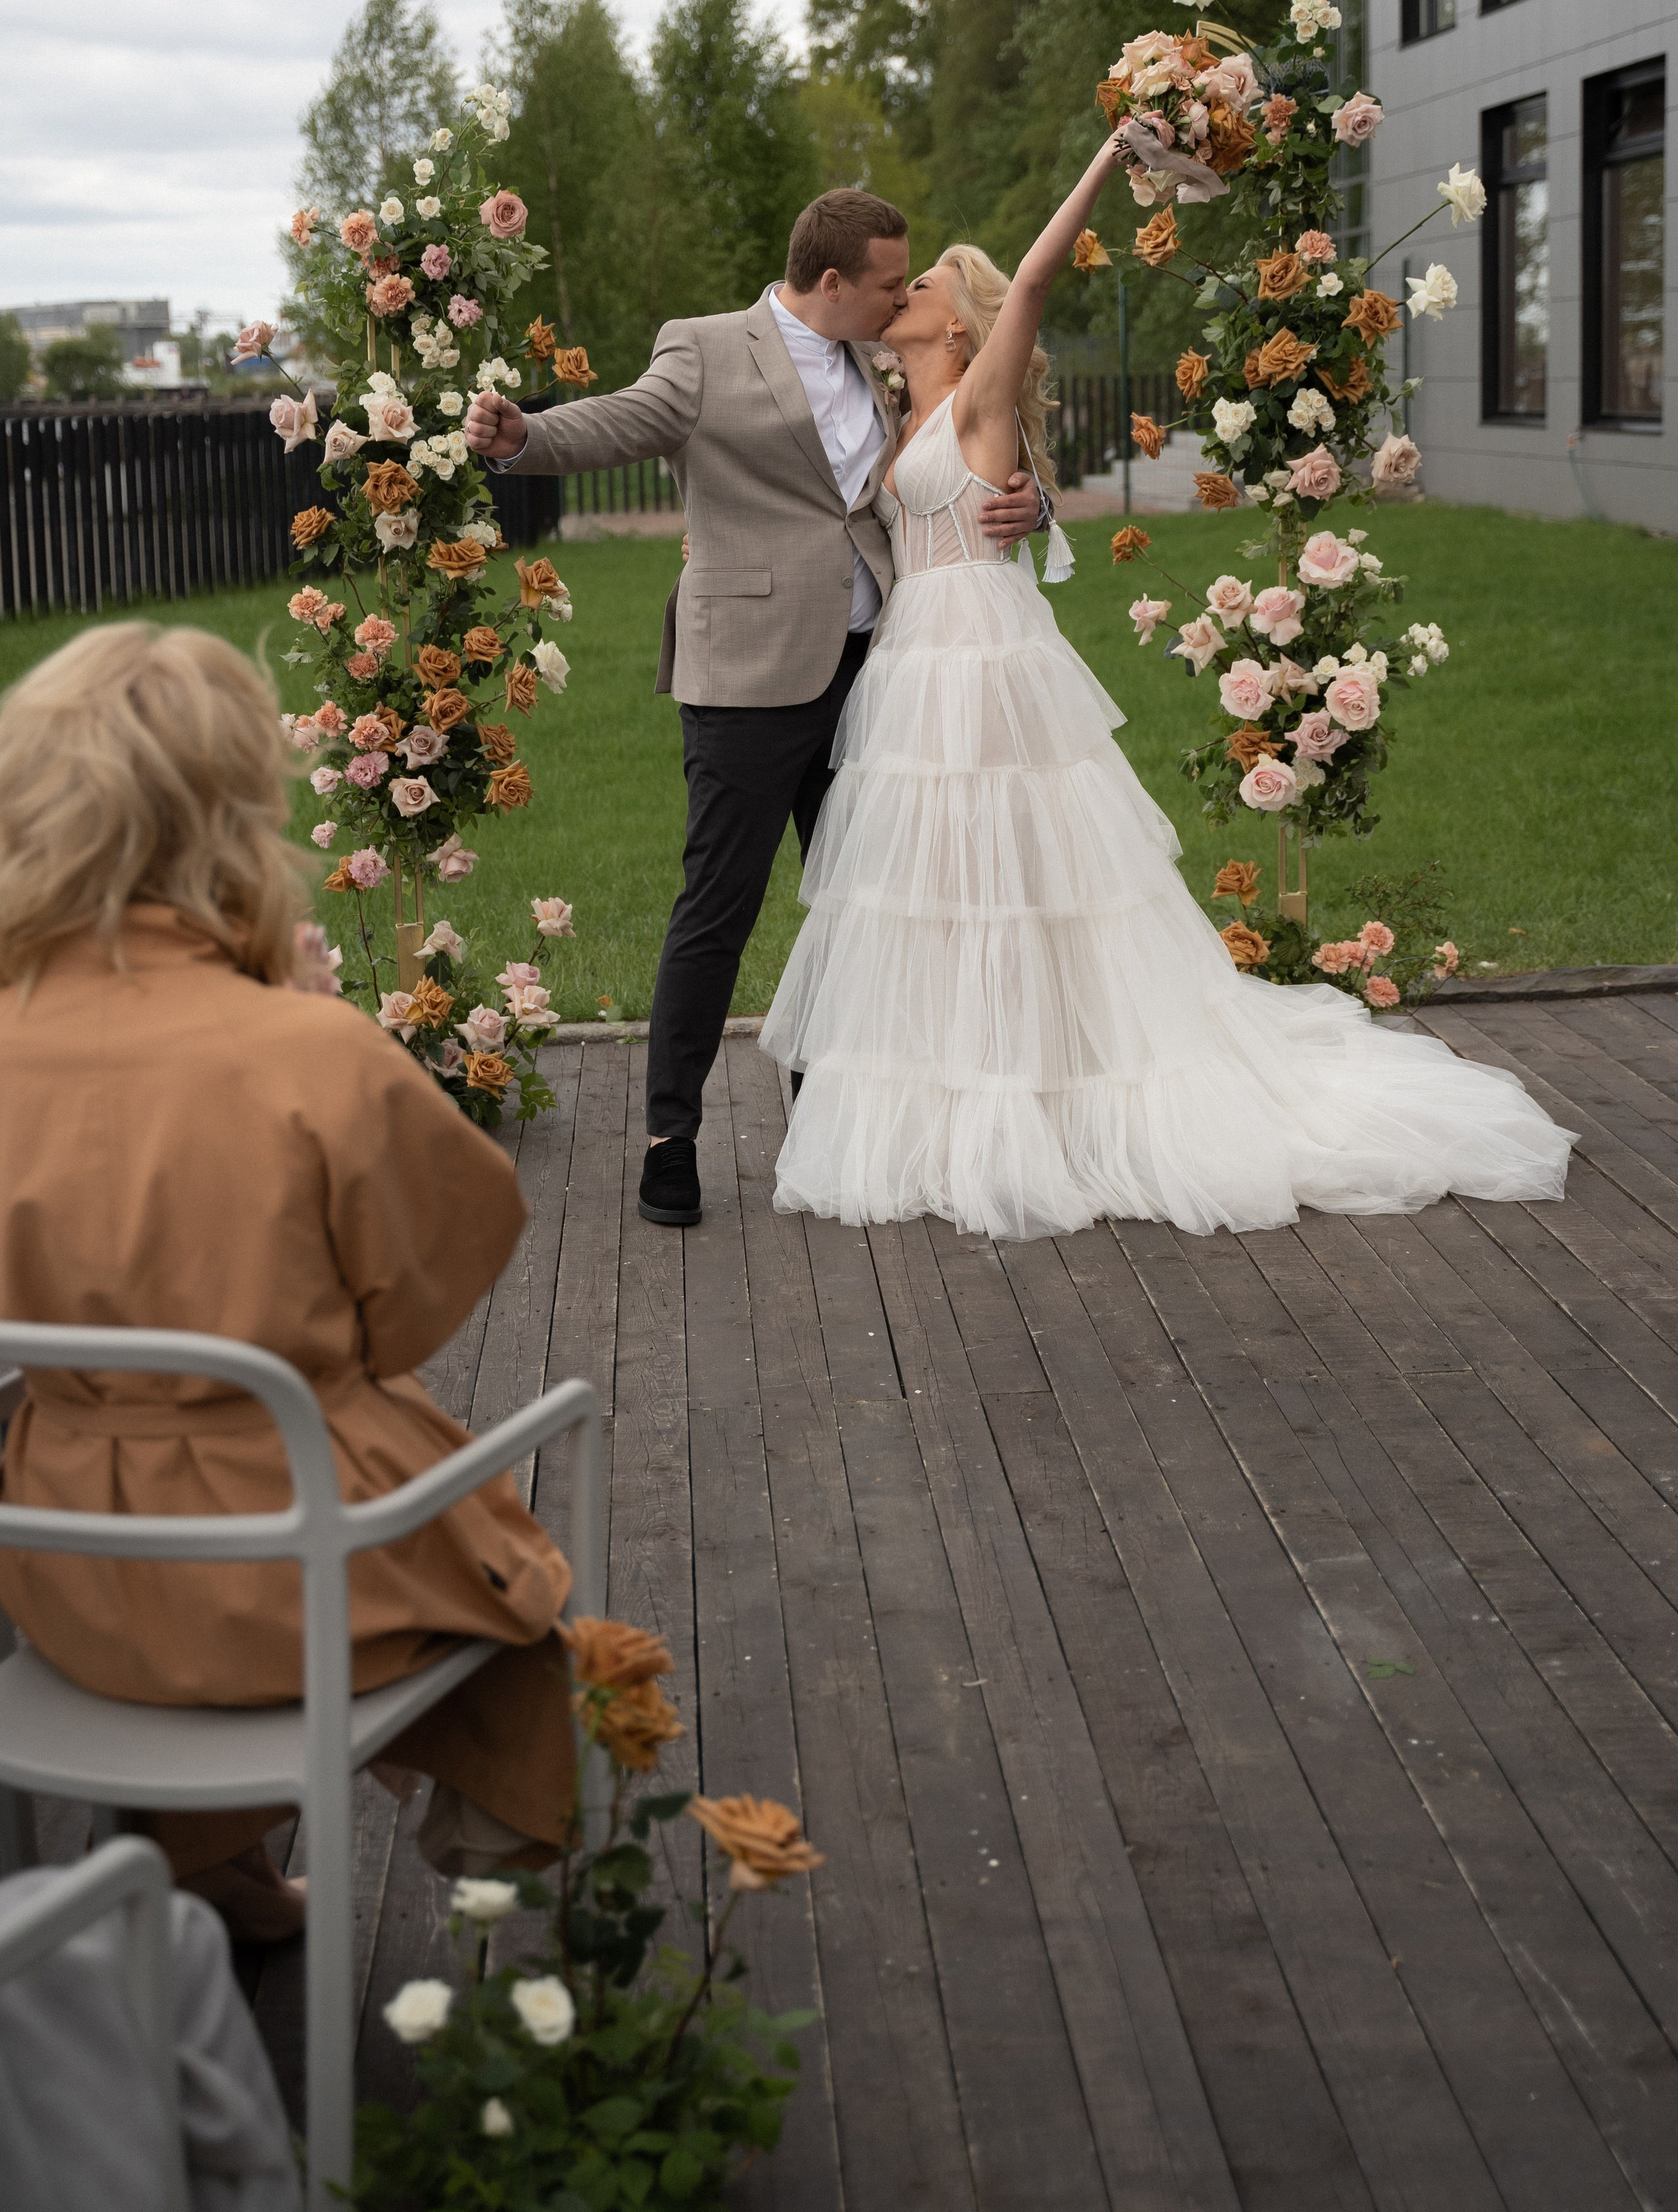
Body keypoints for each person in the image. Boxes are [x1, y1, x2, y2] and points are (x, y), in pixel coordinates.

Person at [760, 140, 1574, 1241]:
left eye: (927, 284)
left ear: (959, 327)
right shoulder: (890, 402)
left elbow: (1034, 280)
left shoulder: (980, 398)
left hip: (984, 656)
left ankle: (1044, 1089)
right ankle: (959, 1082)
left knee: (1020, 874)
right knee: (939, 885)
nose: (903, 294)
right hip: (913, 663)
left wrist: (1108, 156)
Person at [0, 625, 579, 1942]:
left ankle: (223, 1881)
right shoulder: (304, 1053)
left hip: (63, 1570)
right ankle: (517, 1925)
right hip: (285, 1574)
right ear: (230, 819)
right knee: (519, 1603)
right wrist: (306, 1020)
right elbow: (414, 1306)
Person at [464, 188, 1043, 1230]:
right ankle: (670, 1137)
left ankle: (836, 1114)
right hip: (746, 679)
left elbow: (957, 452)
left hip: (874, 672)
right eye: (886, 282)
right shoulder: (703, 349)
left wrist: (1031, 501)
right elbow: (624, 420)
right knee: (718, 907)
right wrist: (522, 439)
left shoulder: (877, 362)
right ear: (832, 281)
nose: (898, 298)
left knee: (859, 905)